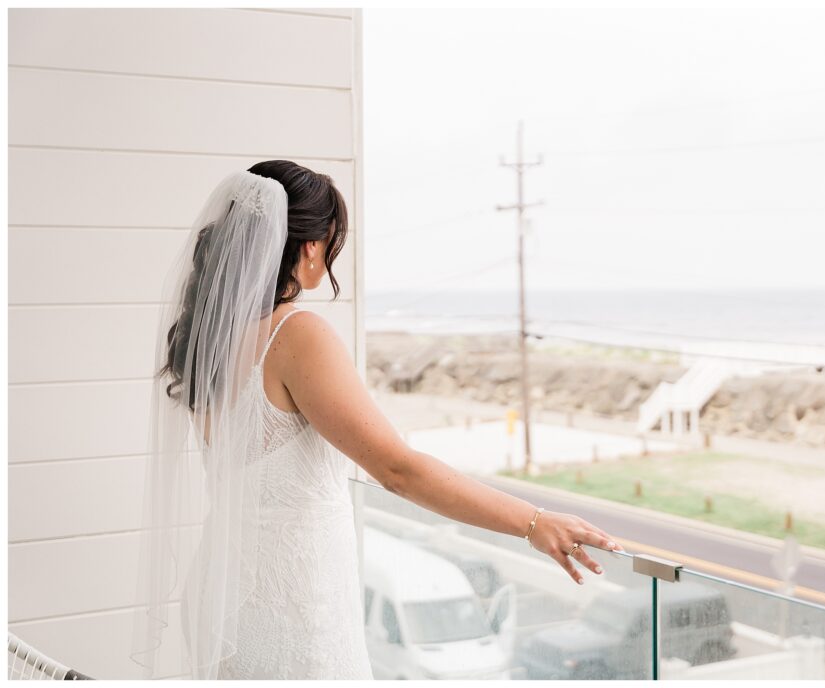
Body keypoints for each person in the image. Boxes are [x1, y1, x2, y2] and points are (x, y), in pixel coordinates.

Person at [130, 160, 624, 680]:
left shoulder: (208, 340)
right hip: (287, 613)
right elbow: (397, 470)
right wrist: (532, 521)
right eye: (331, 240)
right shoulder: (296, 335)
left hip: (222, 602)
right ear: (310, 246)